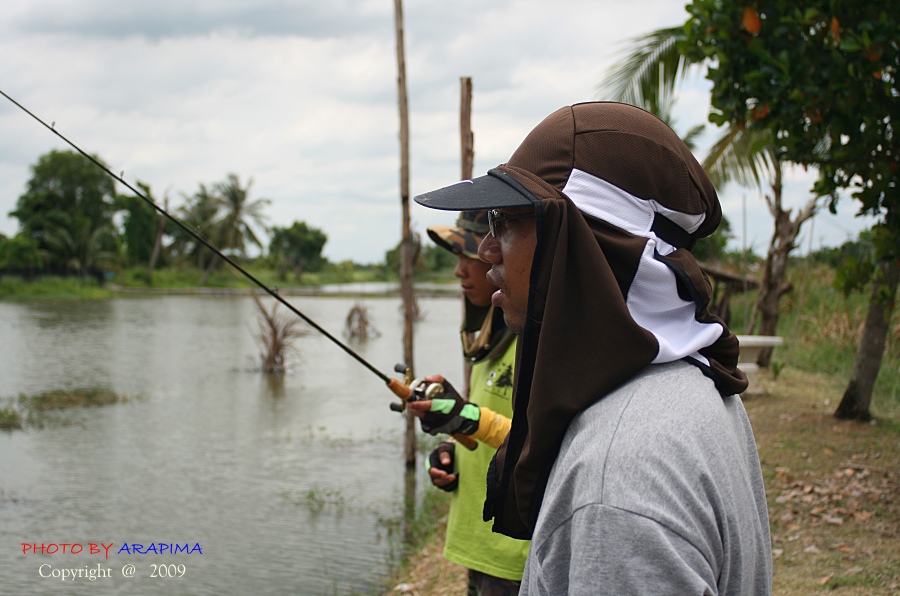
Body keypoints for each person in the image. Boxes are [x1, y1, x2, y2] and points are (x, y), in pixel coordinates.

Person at [412, 102, 772, 594]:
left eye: (506, 221)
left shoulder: (617, 484)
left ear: (578, 240)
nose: (485, 249)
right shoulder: (692, 383)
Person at [411, 210, 529, 594]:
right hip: (476, 546)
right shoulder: (492, 341)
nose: (460, 271)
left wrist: (467, 418)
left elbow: (549, 446)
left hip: (515, 555)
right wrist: (451, 448)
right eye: (459, 257)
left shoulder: (536, 343)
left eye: (471, 257)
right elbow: (490, 423)